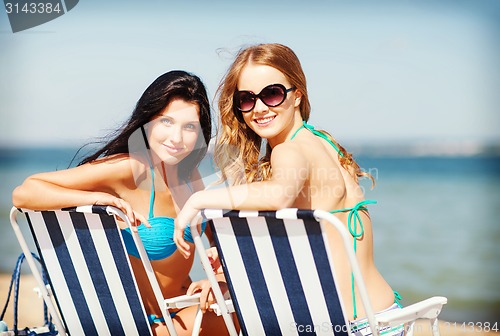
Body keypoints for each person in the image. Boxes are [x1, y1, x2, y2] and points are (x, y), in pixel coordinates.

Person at [174, 44, 404, 335]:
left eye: (272, 94)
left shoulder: (288, 151)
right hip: (386, 317)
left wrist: (199, 199)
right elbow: (320, 249)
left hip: (348, 326)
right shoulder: (322, 142)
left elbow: (279, 194)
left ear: (297, 96)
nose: (259, 108)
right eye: (246, 99)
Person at [12, 70, 228, 336]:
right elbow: (25, 192)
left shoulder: (188, 173)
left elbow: (217, 238)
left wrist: (218, 278)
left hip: (183, 308)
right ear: (147, 122)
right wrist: (98, 199)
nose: (177, 138)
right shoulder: (129, 168)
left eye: (189, 127)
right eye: (166, 122)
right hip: (145, 324)